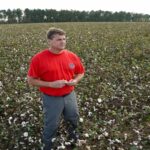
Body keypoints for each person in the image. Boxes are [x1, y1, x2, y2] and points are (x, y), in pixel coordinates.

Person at [27, 27, 85, 150]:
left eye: (64, 39)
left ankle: (74, 141)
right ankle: (47, 146)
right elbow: (30, 80)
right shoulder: (39, 58)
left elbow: (81, 72)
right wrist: (51, 84)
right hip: (51, 98)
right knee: (52, 124)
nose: (63, 42)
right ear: (49, 41)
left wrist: (75, 81)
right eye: (59, 39)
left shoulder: (71, 56)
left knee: (73, 119)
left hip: (70, 95)